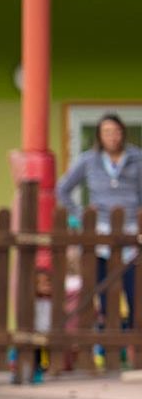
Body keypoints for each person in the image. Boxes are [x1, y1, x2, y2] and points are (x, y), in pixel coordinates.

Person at [57, 112, 142, 330]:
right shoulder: (89, 160)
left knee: (135, 291)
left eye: (116, 132)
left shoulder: (136, 158)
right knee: (104, 291)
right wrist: (79, 214)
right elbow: (63, 189)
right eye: (107, 132)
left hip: (131, 230)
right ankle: (110, 341)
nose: (112, 137)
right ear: (99, 135)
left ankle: (134, 341)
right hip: (100, 230)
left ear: (123, 133)